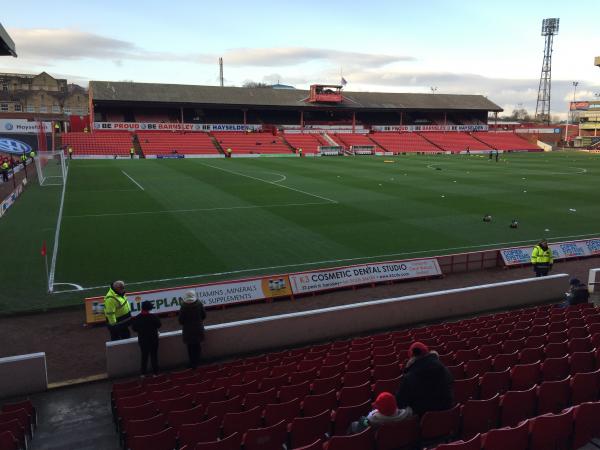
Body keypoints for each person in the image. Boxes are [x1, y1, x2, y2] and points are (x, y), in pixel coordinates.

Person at [395, 342, 453, 417]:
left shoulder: (410, 377)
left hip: (422, 418)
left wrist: (407, 370)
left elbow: (400, 402)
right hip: (448, 415)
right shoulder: (443, 368)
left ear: (412, 358)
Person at [131, 300, 161, 376]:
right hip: (153, 340)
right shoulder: (153, 317)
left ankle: (143, 374)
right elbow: (159, 325)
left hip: (143, 341)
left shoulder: (137, 318)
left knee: (144, 357)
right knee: (154, 356)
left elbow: (134, 328)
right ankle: (156, 373)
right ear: (150, 308)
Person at [178, 290, 206, 369]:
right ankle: (197, 363)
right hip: (198, 329)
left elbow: (181, 320)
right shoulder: (199, 304)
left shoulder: (183, 307)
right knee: (197, 346)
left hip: (188, 331)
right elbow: (204, 315)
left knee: (190, 347)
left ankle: (192, 364)